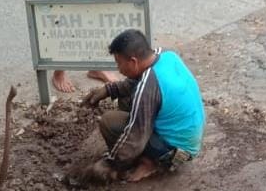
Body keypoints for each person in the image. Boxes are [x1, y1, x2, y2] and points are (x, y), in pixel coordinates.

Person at [81, 29, 204, 182]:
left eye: (119, 63)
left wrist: (111, 163)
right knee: (125, 99)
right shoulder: (166, 55)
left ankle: (149, 163)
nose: (118, 69)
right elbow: (137, 81)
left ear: (133, 62)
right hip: (190, 138)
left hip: (174, 151)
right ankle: (149, 156)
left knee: (109, 121)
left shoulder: (148, 88)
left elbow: (135, 136)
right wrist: (109, 89)